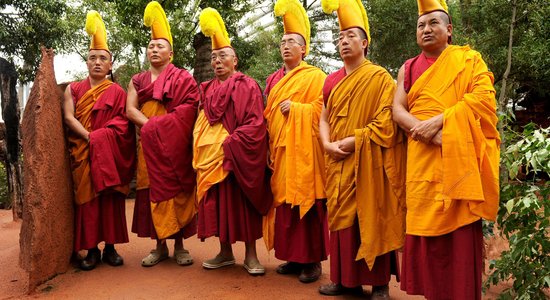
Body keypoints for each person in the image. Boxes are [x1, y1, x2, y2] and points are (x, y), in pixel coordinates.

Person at [392, 1, 500, 299]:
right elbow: (397, 110)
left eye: (433, 23)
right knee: (430, 250)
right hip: (423, 164)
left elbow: (483, 100)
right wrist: (422, 130)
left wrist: (440, 124)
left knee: (460, 246)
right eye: (421, 25)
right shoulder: (408, 68)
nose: (426, 29)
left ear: (449, 29)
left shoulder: (469, 60)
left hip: (459, 166)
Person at [318, 0, 406, 298]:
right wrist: (327, 143)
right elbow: (324, 117)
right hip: (338, 159)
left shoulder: (380, 77)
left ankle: (379, 283)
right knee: (341, 222)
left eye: (350, 37)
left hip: (368, 159)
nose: (343, 42)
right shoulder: (331, 80)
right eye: (339, 38)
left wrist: (355, 140)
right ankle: (344, 279)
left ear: (365, 42)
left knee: (371, 216)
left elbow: (387, 121)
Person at [194, 7, 272, 276]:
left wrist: (232, 142)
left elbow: (255, 122)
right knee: (217, 204)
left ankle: (251, 256)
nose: (217, 61)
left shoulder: (247, 85)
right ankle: (225, 252)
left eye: (223, 56)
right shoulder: (206, 90)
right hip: (214, 158)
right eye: (214, 57)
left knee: (243, 203)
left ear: (235, 61)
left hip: (237, 154)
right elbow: (203, 123)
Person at [127, 1, 199, 267]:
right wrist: (152, 128)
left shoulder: (183, 78)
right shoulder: (138, 80)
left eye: (160, 46)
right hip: (149, 145)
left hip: (176, 144)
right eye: (151, 46)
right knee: (152, 192)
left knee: (178, 189)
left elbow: (190, 108)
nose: (154, 50)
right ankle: (159, 247)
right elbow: (129, 109)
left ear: (171, 53)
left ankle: (180, 246)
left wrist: (160, 129)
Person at [63, 11, 135, 271]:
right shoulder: (74, 89)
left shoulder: (117, 91)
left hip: (110, 154)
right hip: (83, 151)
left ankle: (111, 248)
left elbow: (123, 125)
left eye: (102, 58)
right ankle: (92, 250)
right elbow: (69, 118)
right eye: (92, 57)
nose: (97, 62)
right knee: (87, 201)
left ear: (110, 64)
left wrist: (102, 139)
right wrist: (90, 137)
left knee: (109, 199)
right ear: (86, 62)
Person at [262, 0, 328, 284]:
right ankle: (292, 256)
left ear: (304, 49)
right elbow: (266, 117)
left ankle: (311, 262)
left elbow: (325, 110)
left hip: (305, 152)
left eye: (292, 42)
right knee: (285, 205)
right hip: (279, 148)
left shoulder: (316, 76)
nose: (286, 46)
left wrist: (299, 110)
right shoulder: (273, 80)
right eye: (282, 42)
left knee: (306, 203)